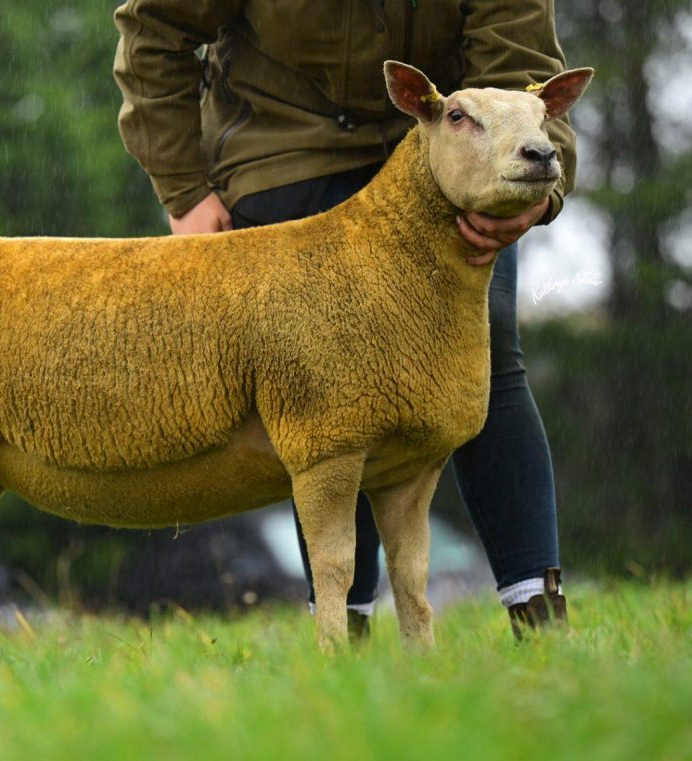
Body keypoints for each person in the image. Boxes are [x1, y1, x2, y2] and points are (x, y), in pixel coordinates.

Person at [112, 0, 572, 639]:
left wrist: (542, 190)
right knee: (324, 387)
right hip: (285, 156)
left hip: (452, 154)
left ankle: (540, 616)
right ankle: (343, 629)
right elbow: (153, 30)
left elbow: (525, 72)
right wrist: (185, 190)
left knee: (486, 350)